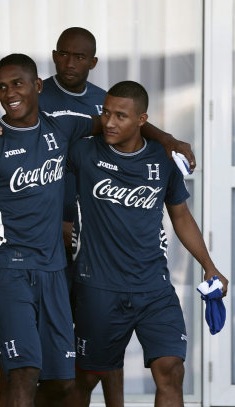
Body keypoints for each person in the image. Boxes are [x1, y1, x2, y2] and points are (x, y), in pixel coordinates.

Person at [0, 53, 110, 407]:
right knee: (24, 372)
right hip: (4, 269)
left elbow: (118, 123)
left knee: (62, 385)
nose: (9, 93)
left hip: (53, 270)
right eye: (2, 86)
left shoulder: (62, 128)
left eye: (18, 83)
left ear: (38, 86)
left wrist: (168, 141)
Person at [63, 80, 229, 407]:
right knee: (84, 380)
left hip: (154, 287)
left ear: (142, 120)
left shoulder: (162, 160)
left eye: (121, 116)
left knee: (171, 369)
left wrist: (210, 267)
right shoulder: (84, 151)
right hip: (98, 289)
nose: (109, 122)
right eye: (106, 113)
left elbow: (181, 216)